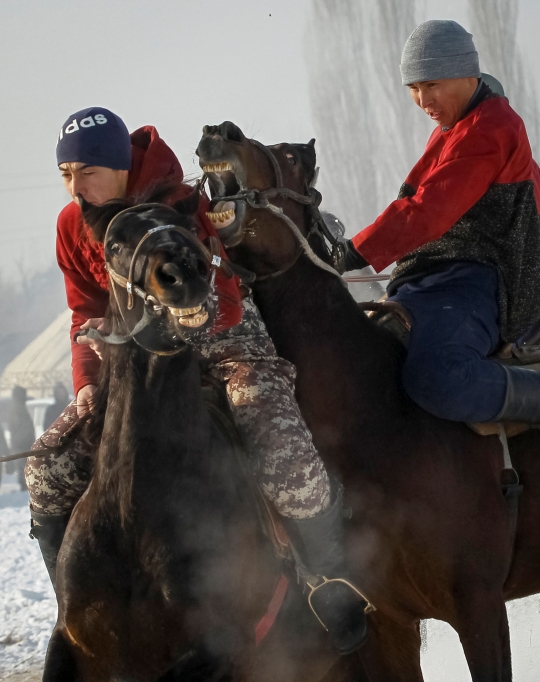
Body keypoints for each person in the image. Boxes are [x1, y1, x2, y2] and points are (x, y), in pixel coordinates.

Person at [24, 107, 367, 654]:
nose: (75, 188)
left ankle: (331, 579)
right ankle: (77, 606)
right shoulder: (72, 226)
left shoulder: (178, 206)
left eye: (86, 172)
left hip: (226, 340)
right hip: (130, 362)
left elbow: (223, 300)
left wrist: (184, 328)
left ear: (118, 168)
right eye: (66, 175)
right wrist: (89, 383)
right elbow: (81, 309)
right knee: (45, 469)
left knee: (287, 462)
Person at [341, 20, 540, 424]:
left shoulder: (492, 127)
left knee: (436, 378)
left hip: (480, 281)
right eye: (413, 88)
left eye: (432, 84)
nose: (423, 99)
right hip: (429, 282)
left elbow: (428, 209)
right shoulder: (451, 130)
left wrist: (351, 252)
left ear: (469, 74)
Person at [9, 385, 34, 490]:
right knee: (24, 466)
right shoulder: (17, 409)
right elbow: (19, 428)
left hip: (22, 443)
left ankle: (25, 483)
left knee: (25, 466)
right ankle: (24, 484)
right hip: (22, 444)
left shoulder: (20, 408)